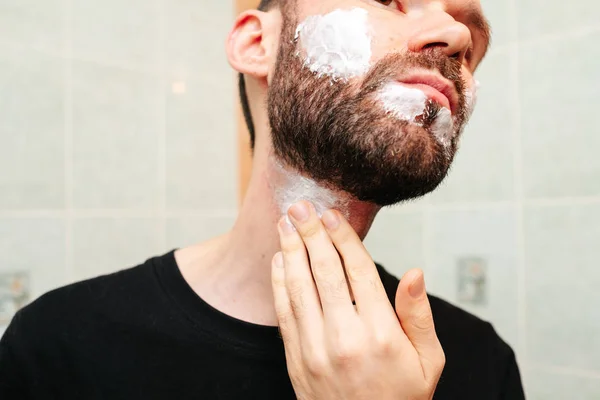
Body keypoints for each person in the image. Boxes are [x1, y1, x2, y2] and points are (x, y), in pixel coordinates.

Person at [0, 0, 526, 398]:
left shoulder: (478, 364)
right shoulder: (59, 347)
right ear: (257, 45)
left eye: (473, 42)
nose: (457, 35)